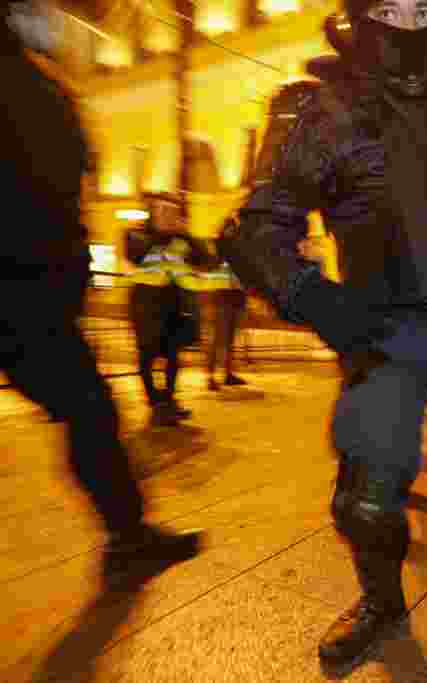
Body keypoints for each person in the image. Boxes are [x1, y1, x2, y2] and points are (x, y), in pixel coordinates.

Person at [219, 0, 427, 670]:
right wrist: (315, 299)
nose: (405, 22)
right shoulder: (319, 110)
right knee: (365, 499)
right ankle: (381, 601)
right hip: (384, 329)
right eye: (388, 6)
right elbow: (252, 231)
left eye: (421, 7)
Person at [0, 0, 201, 585]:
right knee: (89, 410)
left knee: (87, 410)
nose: (56, 22)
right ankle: (129, 536)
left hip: (33, 288)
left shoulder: (31, 84)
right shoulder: (25, 89)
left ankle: (129, 535)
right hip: (23, 290)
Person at [124, 193, 214, 426]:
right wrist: (161, 235)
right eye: (162, 211)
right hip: (145, 307)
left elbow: (207, 259)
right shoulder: (138, 234)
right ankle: (155, 403)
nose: (167, 216)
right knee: (147, 357)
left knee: (172, 356)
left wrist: (186, 233)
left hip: (173, 306)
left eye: (172, 212)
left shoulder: (181, 239)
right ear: (152, 213)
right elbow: (135, 255)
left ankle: (169, 402)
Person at [204, 258, 248, 391]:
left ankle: (228, 374)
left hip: (236, 301)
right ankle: (211, 377)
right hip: (222, 301)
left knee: (229, 341)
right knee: (218, 341)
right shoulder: (219, 257)